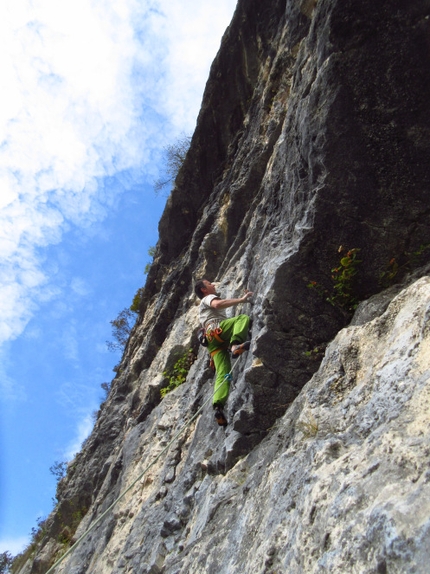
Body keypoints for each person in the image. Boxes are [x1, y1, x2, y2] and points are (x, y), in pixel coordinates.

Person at [194, 279, 253, 426]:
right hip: (216, 330)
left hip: (212, 343)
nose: (213, 285)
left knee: (223, 373)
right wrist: (241, 299)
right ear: (204, 290)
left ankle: (218, 405)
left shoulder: (203, 305)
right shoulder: (207, 298)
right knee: (242, 318)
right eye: (209, 284)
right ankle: (235, 346)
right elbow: (218, 304)